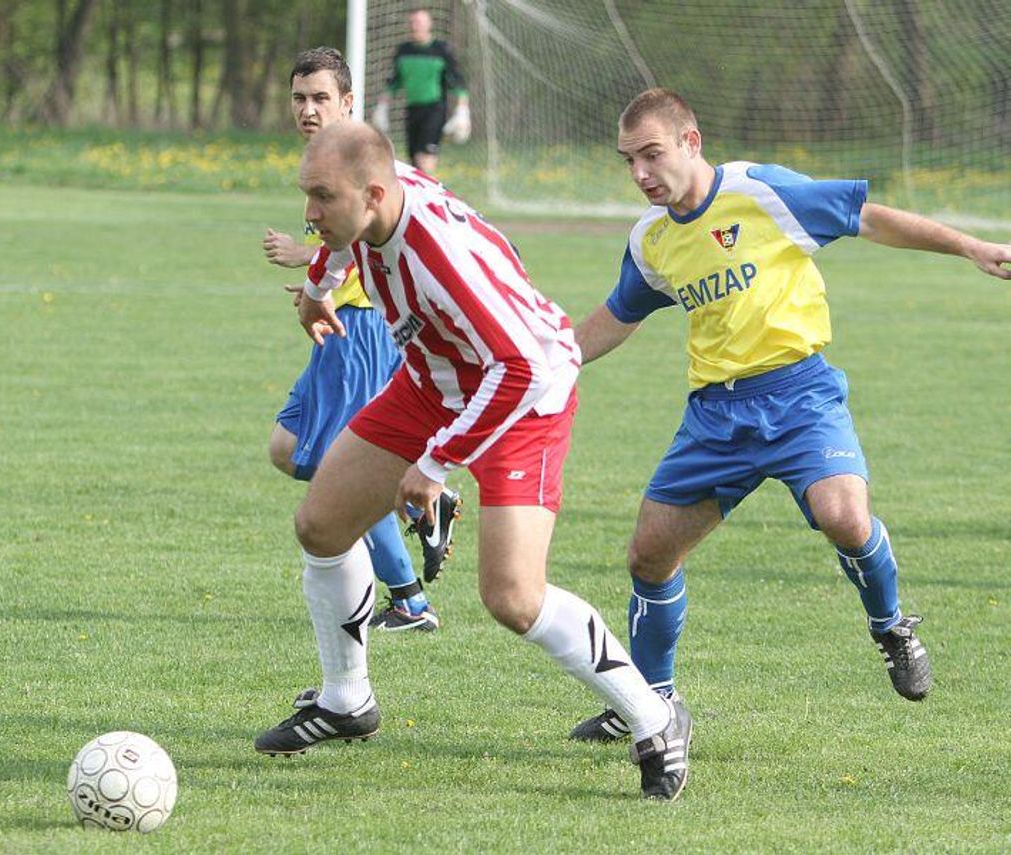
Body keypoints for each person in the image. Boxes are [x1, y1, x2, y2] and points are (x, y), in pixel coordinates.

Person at [253, 121, 693, 802]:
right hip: (438, 377)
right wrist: (317, 288)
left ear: (372, 193)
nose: (310, 212)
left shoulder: (436, 255)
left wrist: (436, 465)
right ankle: (346, 700)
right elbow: (337, 246)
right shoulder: (375, 208)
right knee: (321, 525)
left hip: (527, 393)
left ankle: (655, 717)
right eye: (306, 195)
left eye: (322, 197)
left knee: (513, 597)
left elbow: (517, 366)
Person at [569, 87, 1011, 742]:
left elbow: (870, 217)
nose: (639, 174)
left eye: (652, 154)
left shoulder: (761, 192)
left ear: (690, 143)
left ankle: (890, 626)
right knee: (649, 554)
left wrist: (970, 245)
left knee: (844, 517)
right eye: (628, 159)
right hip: (716, 415)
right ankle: (649, 702)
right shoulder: (653, 240)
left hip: (801, 397)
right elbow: (617, 316)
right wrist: (544, 363)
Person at [263, 47, 461, 632]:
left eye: (320, 97)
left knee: (339, 467)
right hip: (334, 326)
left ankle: (408, 600)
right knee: (286, 446)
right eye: (299, 98)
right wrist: (313, 285)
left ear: (347, 102)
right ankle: (417, 499)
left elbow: (377, 241)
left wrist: (311, 270)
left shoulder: (361, 161)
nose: (307, 109)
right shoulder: (327, 156)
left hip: (362, 329)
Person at [371, 7, 470, 174]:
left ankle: (433, 198)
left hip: (434, 110)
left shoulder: (442, 50)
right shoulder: (403, 51)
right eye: (412, 22)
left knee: (425, 160)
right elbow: (393, 82)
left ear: (429, 24)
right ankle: (421, 198)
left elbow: (457, 83)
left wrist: (462, 111)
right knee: (414, 164)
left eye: (419, 22)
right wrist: (382, 108)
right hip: (412, 110)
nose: (415, 26)